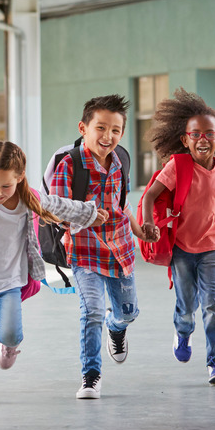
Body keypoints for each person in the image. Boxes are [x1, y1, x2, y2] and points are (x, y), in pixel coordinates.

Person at [0, 141, 105, 405]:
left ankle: (9, 345)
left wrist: (90, 213)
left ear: (20, 177)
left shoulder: (29, 200)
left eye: (5, 185)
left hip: (10, 281)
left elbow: (60, 206)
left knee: (11, 333)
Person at [49, 94, 156, 399]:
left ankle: (117, 327)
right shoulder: (69, 164)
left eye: (115, 130)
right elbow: (56, 209)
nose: (108, 136)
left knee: (128, 312)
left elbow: (122, 205)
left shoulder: (120, 160)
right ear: (83, 127)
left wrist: (141, 232)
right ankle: (90, 375)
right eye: (100, 128)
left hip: (120, 248)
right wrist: (88, 216)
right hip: (84, 250)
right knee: (91, 311)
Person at [140, 88, 215, 385]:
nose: (203, 139)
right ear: (185, 140)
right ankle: (183, 333)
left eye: (209, 134)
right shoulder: (178, 166)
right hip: (183, 248)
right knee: (187, 307)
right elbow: (149, 196)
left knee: (213, 304)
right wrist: (149, 224)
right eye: (195, 134)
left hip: (214, 247)